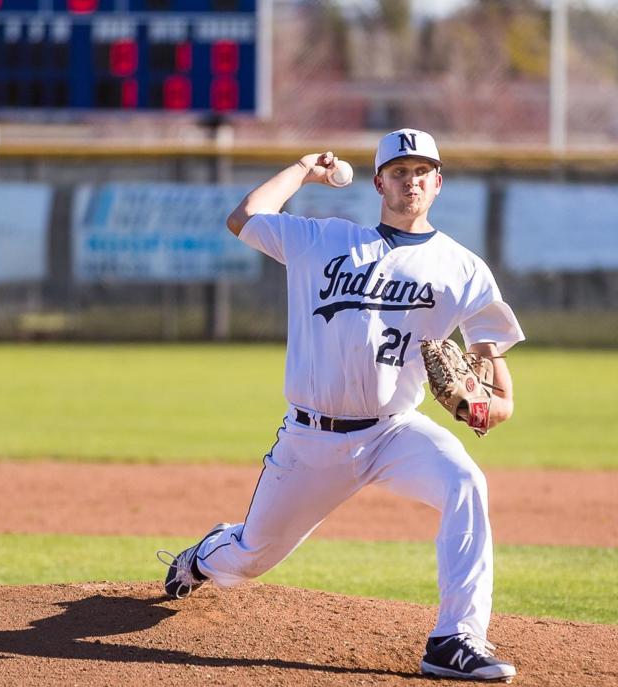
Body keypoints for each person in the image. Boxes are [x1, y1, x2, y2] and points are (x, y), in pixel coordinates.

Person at [158, 129, 524, 681]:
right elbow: (244, 217)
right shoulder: (322, 240)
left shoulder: (463, 269)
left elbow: (498, 396)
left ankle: (455, 637)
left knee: (466, 483)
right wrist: (304, 168)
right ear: (379, 182)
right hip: (311, 439)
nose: (411, 181)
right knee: (252, 557)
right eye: (399, 171)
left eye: (422, 170)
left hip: (394, 432)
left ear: (439, 181)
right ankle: (204, 555)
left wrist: (480, 408)